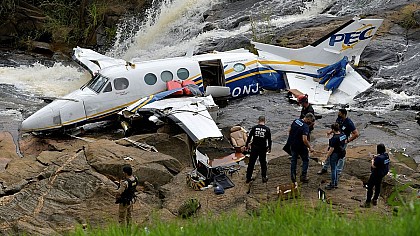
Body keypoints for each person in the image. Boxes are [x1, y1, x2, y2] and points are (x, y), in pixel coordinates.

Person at [318, 108, 359, 175]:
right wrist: (330, 132)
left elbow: (356, 133)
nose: (338, 114)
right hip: (335, 139)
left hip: (342, 141)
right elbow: (336, 127)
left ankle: (338, 172)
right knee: (329, 152)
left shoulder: (349, 122)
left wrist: (348, 140)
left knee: (341, 156)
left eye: (340, 113)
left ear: (344, 114)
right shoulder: (339, 119)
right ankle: (324, 168)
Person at [288, 113, 315, 183]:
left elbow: (289, 131)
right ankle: (303, 176)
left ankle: (293, 176)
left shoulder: (296, 121)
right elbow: (304, 139)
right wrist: (310, 147)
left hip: (293, 144)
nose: (311, 123)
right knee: (305, 160)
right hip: (301, 146)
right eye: (311, 121)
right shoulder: (305, 127)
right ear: (308, 119)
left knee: (294, 160)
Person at [245, 116, 272, 183]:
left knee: (251, 163)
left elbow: (249, 137)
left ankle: (248, 178)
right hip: (263, 148)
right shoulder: (267, 129)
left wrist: (246, 145)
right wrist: (269, 147)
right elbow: (269, 140)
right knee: (263, 163)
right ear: (264, 121)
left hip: (254, 147)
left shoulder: (254, 128)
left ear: (258, 120)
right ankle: (264, 177)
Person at [324, 123, 346, 190]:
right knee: (336, 168)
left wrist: (326, 156)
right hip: (340, 153)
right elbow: (344, 142)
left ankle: (333, 184)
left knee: (333, 169)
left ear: (333, 129)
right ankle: (335, 182)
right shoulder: (343, 135)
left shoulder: (334, 139)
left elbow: (331, 149)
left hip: (334, 154)